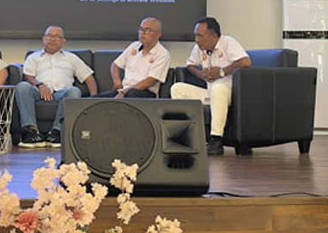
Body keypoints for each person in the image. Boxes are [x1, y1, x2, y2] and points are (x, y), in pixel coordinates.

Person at [170, 17, 251, 155]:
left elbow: (245, 62)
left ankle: (216, 139)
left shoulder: (228, 42)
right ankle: (185, 137)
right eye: (195, 35)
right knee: (177, 88)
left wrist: (221, 72)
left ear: (213, 35)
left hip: (230, 92)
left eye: (200, 36)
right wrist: (200, 74)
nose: (196, 40)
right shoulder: (199, 48)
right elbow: (190, 65)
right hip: (210, 92)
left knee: (218, 88)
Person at [15, 26, 97, 149]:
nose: (52, 39)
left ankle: (57, 132)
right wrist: (40, 85)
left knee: (74, 91)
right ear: (43, 39)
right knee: (22, 86)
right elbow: (28, 76)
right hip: (38, 92)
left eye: (57, 37)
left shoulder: (71, 58)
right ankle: (31, 131)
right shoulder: (34, 57)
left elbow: (89, 78)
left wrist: (94, 99)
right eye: (49, 36)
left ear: (63, 41)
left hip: (62, 94)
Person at [96, 17, 171, 99]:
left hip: (145, 93)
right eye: (141, 29)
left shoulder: (162, 54)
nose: (142, 33)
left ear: (158, 34)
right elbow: (115, 65)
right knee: (94, 100)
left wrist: (125, 92)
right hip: (124, 90)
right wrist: (117, 81)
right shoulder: (134, 46)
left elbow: (151, 81)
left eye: (147, 30)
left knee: (131, 94)